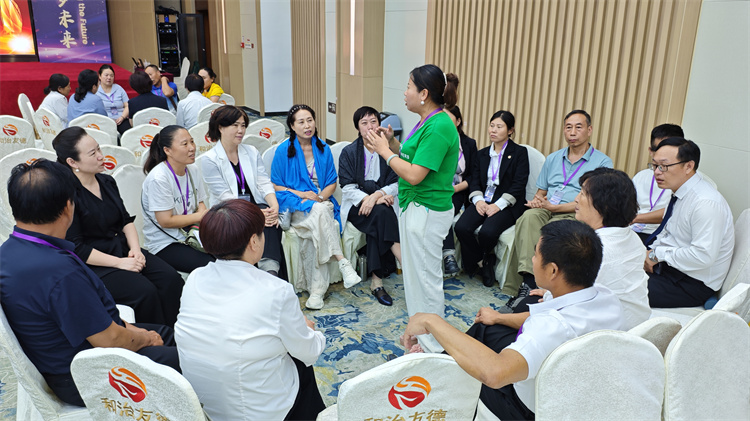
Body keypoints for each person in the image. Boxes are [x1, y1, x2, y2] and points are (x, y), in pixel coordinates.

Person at [0, 159, 179, 407]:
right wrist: (146, 339)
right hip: (90, 374)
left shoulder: (9, 251)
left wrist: (137, 331)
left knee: (169, 334)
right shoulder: (58, 272)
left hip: (75, 353)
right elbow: (110, 341)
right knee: (197, 362)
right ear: (68, 207)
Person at [402, 220, 622, 420]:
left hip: (527, 409)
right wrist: (505, 314)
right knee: (486, 329)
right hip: (569, 386)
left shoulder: (551, 326)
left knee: (466, 371)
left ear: (553, 270)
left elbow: (495, 374)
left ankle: (429, 385)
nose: (532, 260)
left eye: (535, 255)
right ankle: (438, 363)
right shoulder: (607, 298)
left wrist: (432, 321)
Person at [175, 199, 326, 420]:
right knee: (302, 364)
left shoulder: (195, 278)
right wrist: (310, 331)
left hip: (207, 404)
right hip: (257, 411)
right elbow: (309, 352)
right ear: (254, 242)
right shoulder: (276, 290)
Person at [364, 65, 459, 353]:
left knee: (426, 280)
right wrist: (392, 142)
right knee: (415, 278)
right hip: (415, 207)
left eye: (408, 87)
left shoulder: (440, 125)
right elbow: (411, 155)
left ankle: (434, 346)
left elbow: (416, 174)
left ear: (424, 93)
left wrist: (384, 151)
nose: (404, 93)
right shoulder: (425, 121)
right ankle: (420, 334)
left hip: (427, 210)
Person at [53, 127, 184, 326]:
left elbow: (125, 220)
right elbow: (77, 248)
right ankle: (155, 338)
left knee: (171, 279)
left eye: (99, 149)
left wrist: (136, 250)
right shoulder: (67, 195)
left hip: (123, 249)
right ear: (72, 162)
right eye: (93, 153)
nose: (101, 156)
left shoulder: (107, 181)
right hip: (95, 263)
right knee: (144, 292)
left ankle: (176, 332)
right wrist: (119, 263)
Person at [502, 110, 613, 312]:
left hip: (576, 211)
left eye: (578, 127)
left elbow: (592, 202)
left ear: (589, 130)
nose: (572, 132)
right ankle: (528, 281)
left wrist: (556, 207)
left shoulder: (602, 163)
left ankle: (536, 289)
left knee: (554, 230)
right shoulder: (553, 158)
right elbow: (541, 192)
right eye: (568, 127)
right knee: (528, 217)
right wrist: (537, 202)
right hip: (548, 208)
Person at [271, 104, 360, 310]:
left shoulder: (323, 148)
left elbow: (331, 183)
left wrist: (318, 198)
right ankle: (341, 262)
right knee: (321, 216)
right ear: (292, 126)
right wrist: (303, 195)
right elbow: (276, 185)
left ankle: (316, 292)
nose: (307, 126)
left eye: (310, 120)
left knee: (318, 222)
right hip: (296, 204)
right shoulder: (283, 150)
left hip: (321, 202)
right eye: (301, 122)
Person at [645, 138, 734, 308]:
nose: (656, 172)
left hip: (689, 284)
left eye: (663, 166)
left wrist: (656, 255)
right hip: (670, 269)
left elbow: (702, 256)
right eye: (654, 165)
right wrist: (650, 254)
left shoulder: (705, 203)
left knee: (619, 287)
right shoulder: (681, 193)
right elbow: (669, 234)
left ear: (688, 166)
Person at [201, 105, 284, 276]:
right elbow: (225, 196)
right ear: (220, 127)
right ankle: (270, 273)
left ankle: (270, 271)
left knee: (269, 217)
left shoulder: (251, 152)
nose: (241, 130)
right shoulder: (209, 159)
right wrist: (257, 214)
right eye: (235, 125)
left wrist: (274, 206)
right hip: (228, 211)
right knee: (263, 218)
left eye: (243, 125)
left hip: (257, 206)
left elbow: (264, 182)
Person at [454, 110, 529, 287]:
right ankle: (482, 261)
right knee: (461, 227)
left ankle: (484, 258)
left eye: (499, 127)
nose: (493, 130)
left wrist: (498, 205)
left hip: (507, 203)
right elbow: (474, 181)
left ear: (510, 130)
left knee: (488, 232)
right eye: (492, 125)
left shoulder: (519, 152)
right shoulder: (482, 154)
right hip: (483, 199)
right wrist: (478, 200)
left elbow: (519, 184)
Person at [339, 106, 402, 306]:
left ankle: (377, 281)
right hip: (357, 206)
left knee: (378, 217)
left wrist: (376, 196)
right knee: (380, 214)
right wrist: (369, 199)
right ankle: (402, 259)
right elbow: (347, 187)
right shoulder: (349, 152)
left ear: (379, 125)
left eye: (373, 122)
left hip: (380, 203)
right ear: (358, 127)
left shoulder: (388, 151)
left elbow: (397, 182)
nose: (370, 127)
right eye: (364, 123)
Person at [142, 125, 215, 272]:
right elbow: (165, 221)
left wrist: (201, 215)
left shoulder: (192, 169)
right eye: (185, 144)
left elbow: (200, 202)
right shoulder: (159, 178)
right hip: (166, 242)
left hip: (192, 232)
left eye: (192, 141)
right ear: (167, 150)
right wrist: (200, 216)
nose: (192, 148)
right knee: (213, 265)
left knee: (234, 254)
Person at [441, 100, 479, 277]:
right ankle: (446, 256)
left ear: (458, 121)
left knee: (446, 210)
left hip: (459, 191)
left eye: (450, 120)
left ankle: (449, 256)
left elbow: (473, 175)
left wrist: (455, 189)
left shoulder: (469, 144)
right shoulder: (438, 141)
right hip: (439, 189)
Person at [631, 123, 685, 244]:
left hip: (663, 235)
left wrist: (635, 219)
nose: (663, 155)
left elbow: (673, 212)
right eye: (659, 150)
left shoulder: (685, 180)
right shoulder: (641, 176)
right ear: (651, 151)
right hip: (632, 230)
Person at [95, 64, 131, 134]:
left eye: (111, 75)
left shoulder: (119, 88)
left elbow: (127, 105)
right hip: (104, 121)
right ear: (99, 76)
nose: (109, 78)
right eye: (106, 75)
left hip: (121, 119)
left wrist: (122, 117)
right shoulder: (96, 90)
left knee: (128, 133)